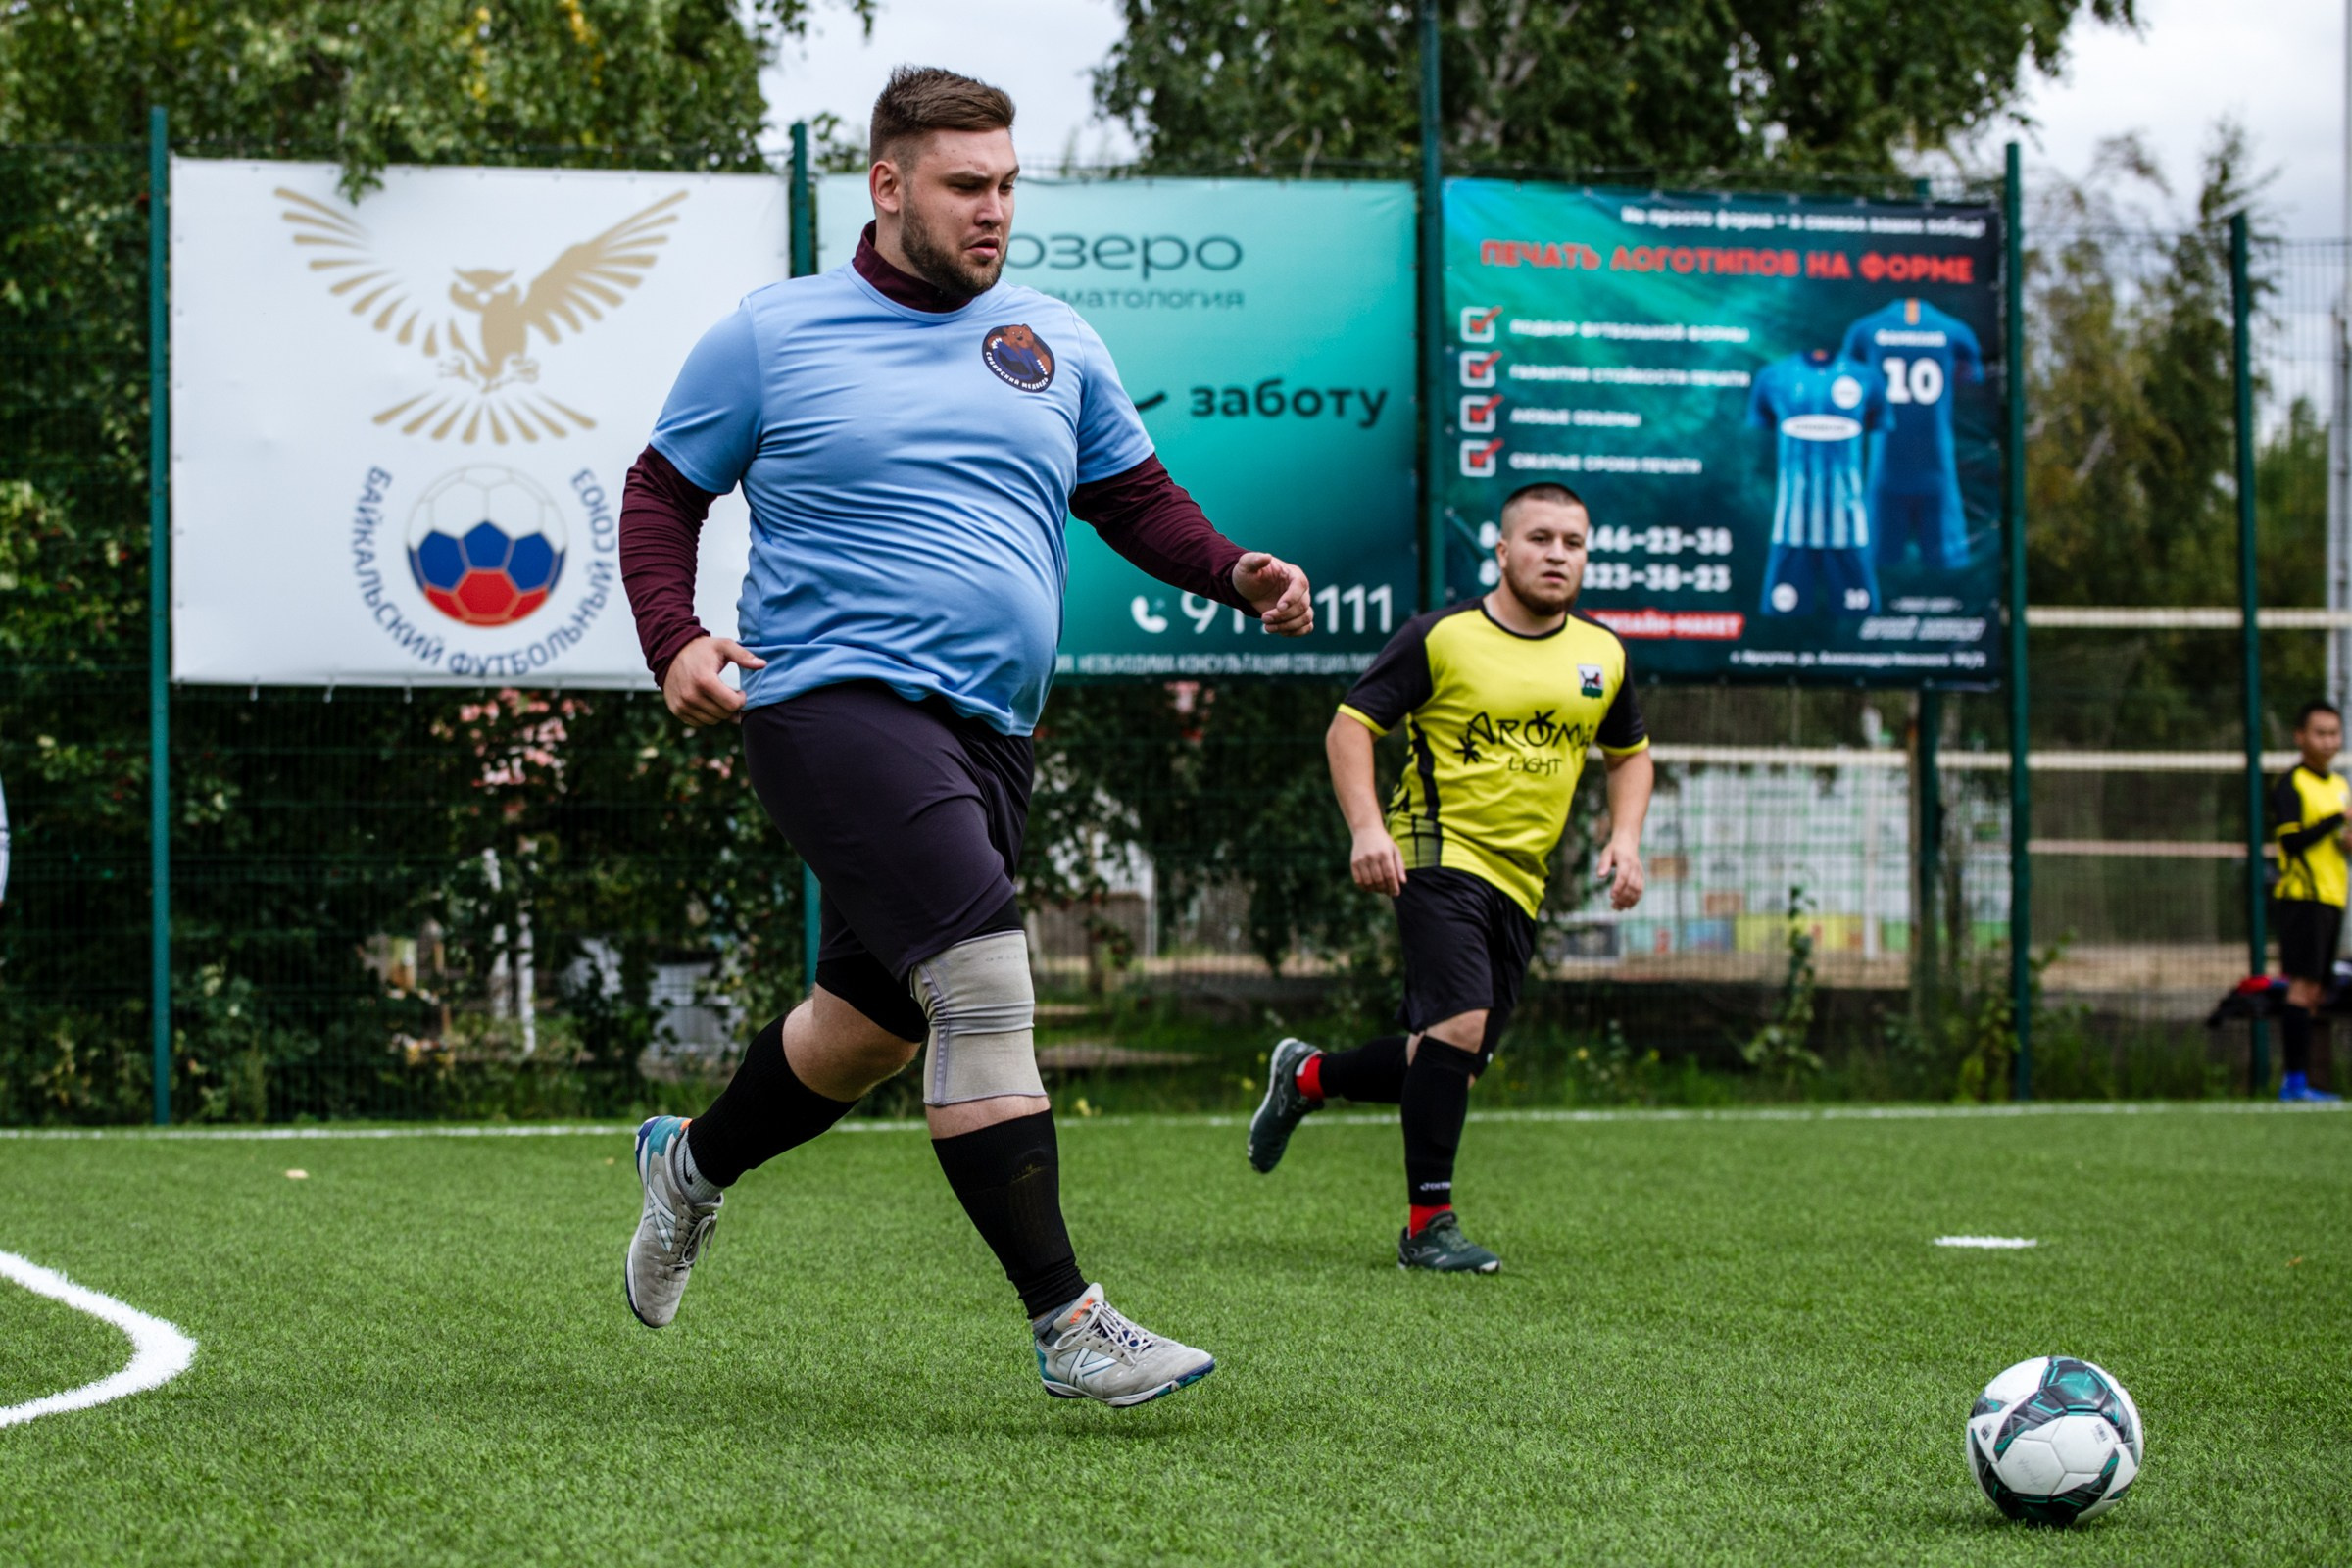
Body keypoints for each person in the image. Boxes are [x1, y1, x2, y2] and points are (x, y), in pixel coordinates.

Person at [615, 66, 1313, 1405]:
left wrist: (1235, 570)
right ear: (888, 188)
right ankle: (1071, 1325)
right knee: (987, 984)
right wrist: (678, 639)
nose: (994, 211)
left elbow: (1135, 497)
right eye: (965, 186)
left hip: (991, 735)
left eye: (1006, 186)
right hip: (826, 702)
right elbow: (661, 496)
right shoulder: (772, 334)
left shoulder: (1053, 338)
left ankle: (688, 1166)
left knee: (868, 1026)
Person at [1247, 482, 1653, 1271]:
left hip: (1522, 878)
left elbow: (1629, 753)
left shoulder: (1603, 654)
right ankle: (1427, 1225)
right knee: (1460, 1025)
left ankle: (1308, 1075)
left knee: (1451, 1059)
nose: (1557, 555)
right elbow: (1350, 728)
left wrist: (1626, 838)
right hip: (1436, 851)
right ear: (1502, 551)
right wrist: (1368, 828)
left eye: (1573, 543)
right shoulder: (1442, 637)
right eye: (1540, 539)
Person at [2270, 699, 2348, 1102]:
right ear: (2301, 737)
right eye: (2320, 733)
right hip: (2303, 896)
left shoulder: (2340, 787)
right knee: (2301, 989)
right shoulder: (2291, 785)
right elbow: (2292, 840)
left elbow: (2341, 846)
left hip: (2334, 896)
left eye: (2334, 733)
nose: (2329, 741)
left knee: (2317, 991)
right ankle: (2294, 1082)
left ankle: (2307, 1081)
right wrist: (2338, 819)